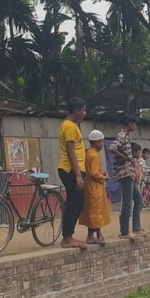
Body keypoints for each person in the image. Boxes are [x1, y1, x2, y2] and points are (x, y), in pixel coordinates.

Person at [57, 97, 88, 250]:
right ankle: (67, 238)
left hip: (75, 170)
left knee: (79, 202)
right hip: (70, 170)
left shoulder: (73, 126)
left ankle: (69, 235)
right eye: (83, 110)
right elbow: (71, 152)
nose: (84, 113)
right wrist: (77, 175)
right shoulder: (69, 127)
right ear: (76, 111)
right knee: (74, 203)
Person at [109, 116, 143, 239]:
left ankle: (136, 227)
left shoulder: (128, 137)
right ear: (130, 123)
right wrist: (124, 157)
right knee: (128, 201)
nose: (136, 127)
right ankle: (124, 231)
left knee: (138, 198)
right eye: (135, 124)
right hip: (125, 172)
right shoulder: (122, 136)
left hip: (129, 172)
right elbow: (112, 147)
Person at [80, 130, 110, 245]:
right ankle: (92, 236)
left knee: (92, 210)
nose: (103, 144)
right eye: (101, 142)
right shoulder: (94, 155)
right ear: (96, 142)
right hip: (95, 186)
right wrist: (104, 178)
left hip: (89, 185)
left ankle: (97, 234)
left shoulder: (87, 153)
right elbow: (93, 173)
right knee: (96, 211)